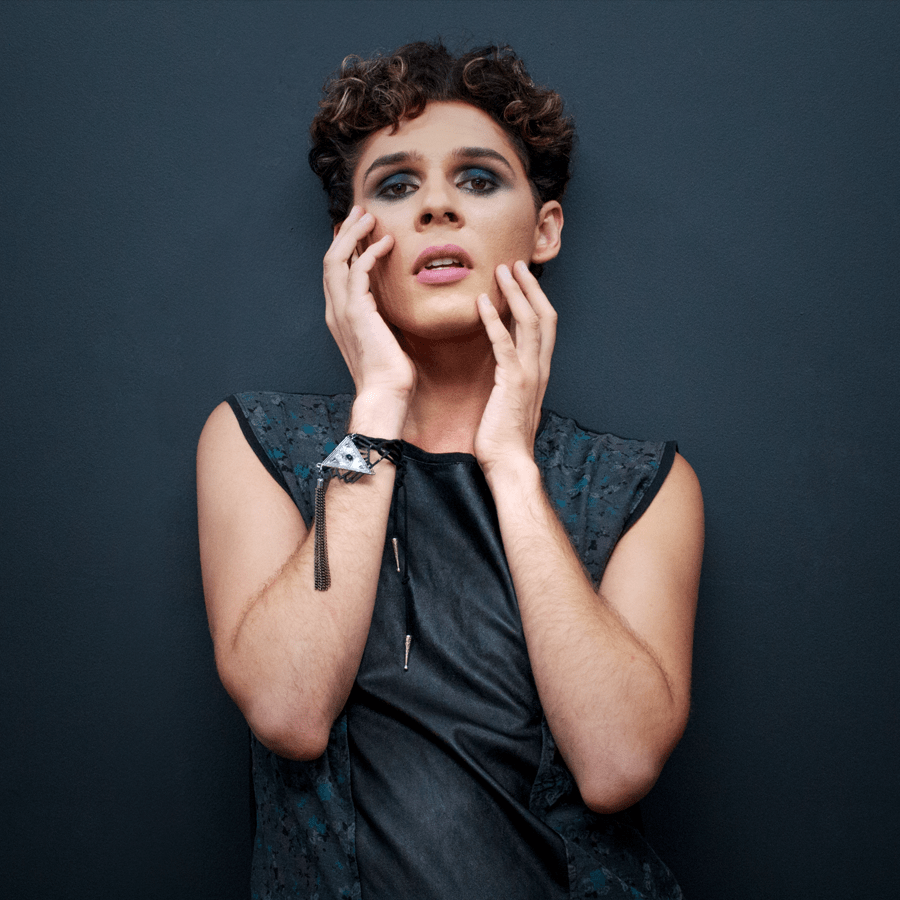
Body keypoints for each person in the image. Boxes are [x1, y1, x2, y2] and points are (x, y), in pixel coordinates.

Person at [197, 41, 703, 899]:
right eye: (396, 186)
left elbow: (617, 764)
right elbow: (289, 709)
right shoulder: (263, 444)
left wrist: (510, 465)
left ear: (544, 228)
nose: (437, 205)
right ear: (351, 242)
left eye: (477, 179)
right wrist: (377, 412)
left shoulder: (636, 485)